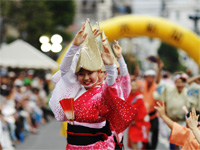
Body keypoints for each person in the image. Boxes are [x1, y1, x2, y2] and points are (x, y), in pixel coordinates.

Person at [49, 19, 138, 150]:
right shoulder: (74, 90)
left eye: (90, 73)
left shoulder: (103, 93)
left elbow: (115, 87)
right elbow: (64, 70)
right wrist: (76, 46)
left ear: (101, 72)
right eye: (81, 74)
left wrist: (112, 66)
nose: (85, 78)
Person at [127, 79, 150, 150]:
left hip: (139, 123)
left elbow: (142, 111)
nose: (133, 87)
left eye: (135, 85)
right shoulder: (128, 96)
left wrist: (134, 119)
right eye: (132, 85)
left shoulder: (139, 97)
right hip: (133, 123)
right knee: (133, 142)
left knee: (134, 141)